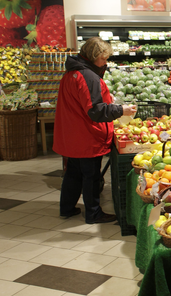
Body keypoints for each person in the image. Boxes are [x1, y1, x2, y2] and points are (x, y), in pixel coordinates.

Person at [54, 37, 137, 224]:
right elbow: (95, 110)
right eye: (104, 58)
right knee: (91, 176)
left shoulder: (71, 73)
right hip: (86, 136)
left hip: (72, 134)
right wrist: (120, 110)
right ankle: (93, 213)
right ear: (93, 56)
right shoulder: (88, 76)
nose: (105, 62)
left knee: (73, 173)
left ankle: (66, 208)